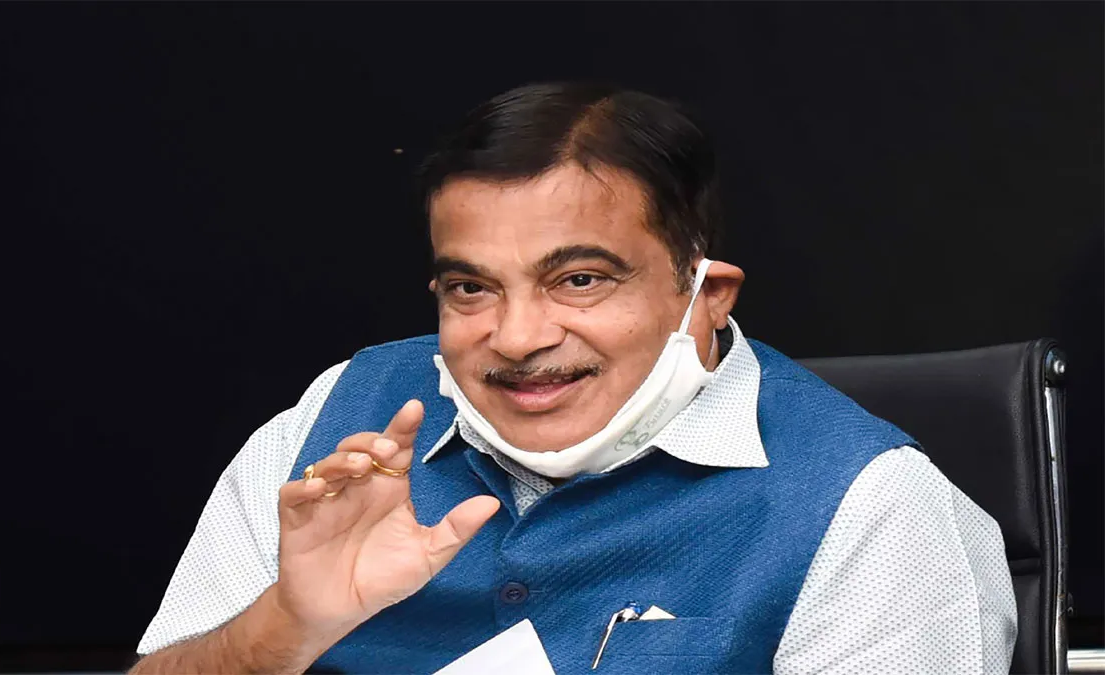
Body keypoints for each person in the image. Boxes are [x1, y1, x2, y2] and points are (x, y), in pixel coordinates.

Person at [131, 82, 1017, 674]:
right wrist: (287, 623)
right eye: (471, 288)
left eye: (580, 279)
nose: (517, 338)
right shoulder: (332, 420)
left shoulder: (874, 508)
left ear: (705, 295)